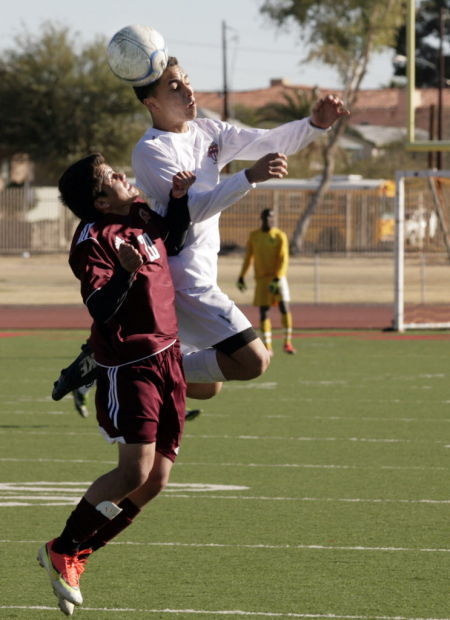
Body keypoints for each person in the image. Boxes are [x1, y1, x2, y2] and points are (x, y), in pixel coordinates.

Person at [38, 153, 194, 616]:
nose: (124, 177)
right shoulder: (92, 240)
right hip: (131, 366)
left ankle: (75, 553)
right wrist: (124, 271)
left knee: (155, 481)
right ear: (100, 199)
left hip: (170, 355)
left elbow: (173, 237)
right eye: (112, 177)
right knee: (132, 473)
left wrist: (181, 202)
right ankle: (63, 547)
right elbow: (102, 308)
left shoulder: (140, 213)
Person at [131, 55, 349, 387]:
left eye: (187, 80)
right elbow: (190, 210)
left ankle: (136, 374)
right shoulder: (151, 150)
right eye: (174, 87)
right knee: (253, 361)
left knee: (206, 386)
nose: (188, 91)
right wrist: (248, 177)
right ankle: (131, 370)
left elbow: (268, 142)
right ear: (152, 103)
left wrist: (314, 124)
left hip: (201, 274)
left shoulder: (208, 131)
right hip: (181, 279)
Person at [237, 208, 296, 355]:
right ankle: (268, 346)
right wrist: (242, 276)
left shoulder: (279, 236)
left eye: (272, 218)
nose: (270, 220)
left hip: (278, 278)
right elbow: (248, 258)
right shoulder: (254, 236)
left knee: (284, 307)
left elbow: (284, 259)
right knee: (264, 312)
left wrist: (278, 278)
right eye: (267, 217)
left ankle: (287, 343)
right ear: (262, 218)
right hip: (262, 279)